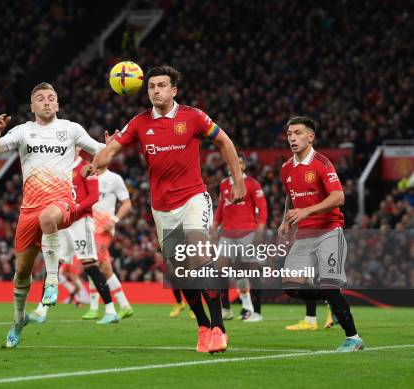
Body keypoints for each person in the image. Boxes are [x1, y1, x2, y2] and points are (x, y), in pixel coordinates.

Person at [93, 65, 245, 354]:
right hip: (162, 208)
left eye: (162, 85)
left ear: (174, 90)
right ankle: (202, 326)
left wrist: (238, 181)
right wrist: (97, 161)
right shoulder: (139, 122)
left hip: (194, 197)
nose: (156, 90)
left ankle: (218, 328)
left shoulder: (193, 116)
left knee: (198, 255)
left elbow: (224, 141)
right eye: (151, 86)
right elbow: (112, 149)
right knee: (180, 272)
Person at [0, 82, 109, 348]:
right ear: (32, 107)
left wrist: (112, 146)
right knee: (21, 273)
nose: (47, 102)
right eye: (40, 99)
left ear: (58, 104)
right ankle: (18, 321)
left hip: (62, 201)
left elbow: (100, 149)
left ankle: (51, 280)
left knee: (49, 218)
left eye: (51, 98)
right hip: (28, 209)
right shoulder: (23, 132)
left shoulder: (71, 129)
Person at [278, 116, 364, 352]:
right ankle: (331, 299)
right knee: (290, 286)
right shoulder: (286, 167)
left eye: (297, 133)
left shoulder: (322, 163)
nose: (292, 138)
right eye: (289, 134)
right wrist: (285, 220)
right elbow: (290, 195)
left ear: (311, 137)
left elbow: (339, 197)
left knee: (328, 284)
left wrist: (306, 211)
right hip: (304, 235)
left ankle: (353, 338)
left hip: (328, 232)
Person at [29, 149, 119, 324]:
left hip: (81, 223)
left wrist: (75, 208)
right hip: (64, 222)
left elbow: (93, 196)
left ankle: (111, 310)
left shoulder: (87, 167)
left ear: (78, 148)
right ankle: (41, 310)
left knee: (90, 265)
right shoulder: (59, 168)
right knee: (53, 266)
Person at [214, 155, 267, 322]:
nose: (236, 165)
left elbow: (263, 210)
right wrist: (214, 227)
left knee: (250, 271)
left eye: (240, 162)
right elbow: (221, 208)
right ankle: (226, 309)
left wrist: (259, 232)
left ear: (244, 166)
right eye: (232, 161)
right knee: (220, 269)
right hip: (227, 234)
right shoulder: (223, 184)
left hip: (247, 233)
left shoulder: (252, 184)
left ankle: (255, 312)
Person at [90, 166, 133, 319]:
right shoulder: (87, 175)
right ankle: (124, 305)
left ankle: (106, 308)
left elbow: (127, 203)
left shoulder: (114, 178)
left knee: (96, 265)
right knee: (100, 267)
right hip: (88, 228)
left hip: (104, 229)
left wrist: (114, 220)